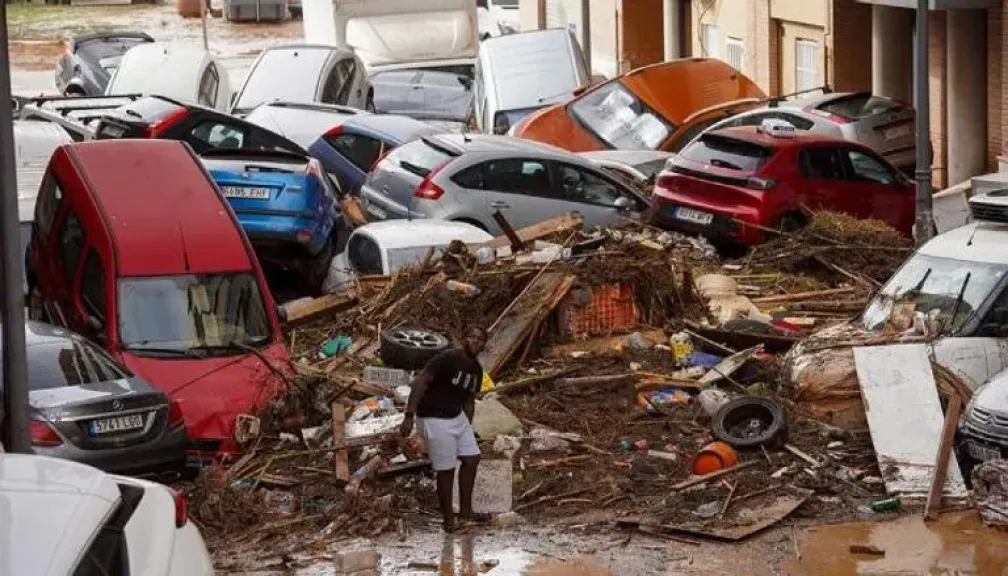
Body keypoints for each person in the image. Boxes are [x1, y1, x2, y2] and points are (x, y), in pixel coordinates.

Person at [400, 326, 489, 532]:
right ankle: (449, 520)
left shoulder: (476, 369)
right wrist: (409, 416)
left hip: (456, 416)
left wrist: (468, 426)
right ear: (464, 338)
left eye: (480, 339)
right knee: (446, 469)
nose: (475, 341)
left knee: (472, 458)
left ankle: (466, 512)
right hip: (433, 417)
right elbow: (421, 381)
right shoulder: (448, 358)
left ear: (484, 345)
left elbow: (469, 400)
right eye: (472, 337)